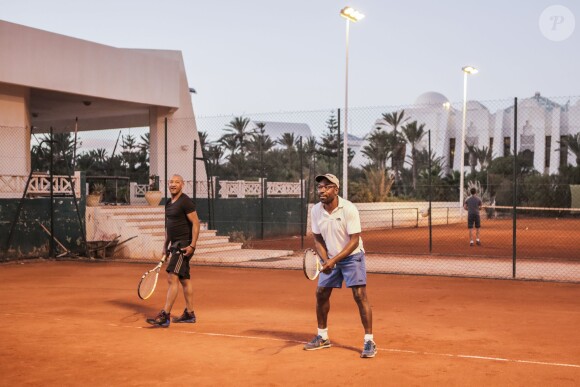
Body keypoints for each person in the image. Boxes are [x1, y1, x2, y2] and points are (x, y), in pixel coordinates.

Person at [304, 173, 377, 358]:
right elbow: (318, 239)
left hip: (352, 256)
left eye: (326, 187)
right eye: (320, 187)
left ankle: (369, 341)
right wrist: (323, 259)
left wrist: (333, 261)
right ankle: (322, 337)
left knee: (360, 295)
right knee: (321, 293)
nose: (322, 190)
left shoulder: (349, 209)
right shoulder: (315, 211)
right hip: (330, 258)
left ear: (336, 190)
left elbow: (354, 240)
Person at [146, 174, 200, 327]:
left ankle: (165, 315)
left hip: (184, 246)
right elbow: (169, 226)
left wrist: (192, 245)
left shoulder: (186, 202)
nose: (173, 184)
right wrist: (165, 245)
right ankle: (190, 314)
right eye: (171, 182)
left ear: (182, 185)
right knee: (184, 279)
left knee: (172, 277)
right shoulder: (169, 203)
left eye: (177, 182)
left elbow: (196, 223)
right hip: (174, 244)